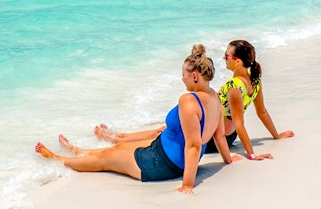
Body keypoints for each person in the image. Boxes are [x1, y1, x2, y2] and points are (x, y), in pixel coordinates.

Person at [35, 44, 241, 193]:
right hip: (165, 153)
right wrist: (228, 160)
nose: (182, 79)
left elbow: (194, 145)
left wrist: (187, 184)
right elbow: (219, 135)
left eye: (183, 75)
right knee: (117, 148)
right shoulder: (214, 96)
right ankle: (77, 151)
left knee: (106, 158)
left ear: (195, 76)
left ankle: (58, 160)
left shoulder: (189, 101)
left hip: (160, 163)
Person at [95, 40, 294, 162]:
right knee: (163, 131)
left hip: (217, 139)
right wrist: (276, 136)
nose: (224, 58)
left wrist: (251, 155)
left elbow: (239, 122)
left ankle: (116, 139)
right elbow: (262, 112)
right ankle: (119, 136)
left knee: (163, 135)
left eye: (227, 56)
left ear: (237, 61)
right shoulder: (255, 81)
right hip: (225, 136)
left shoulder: (235, 87)